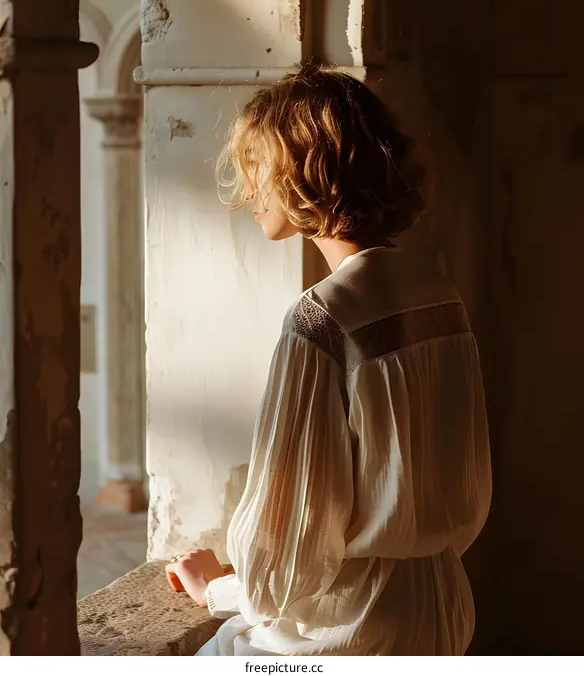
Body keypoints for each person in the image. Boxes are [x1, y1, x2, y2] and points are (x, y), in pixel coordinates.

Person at [165, 62, 492, 656]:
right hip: (438, 606)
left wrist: (217, 589)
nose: (248, 191)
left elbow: (291, 551)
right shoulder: (439, 296)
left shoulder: (321, 319)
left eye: (257, 167)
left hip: (352, 629)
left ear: (300, 170)